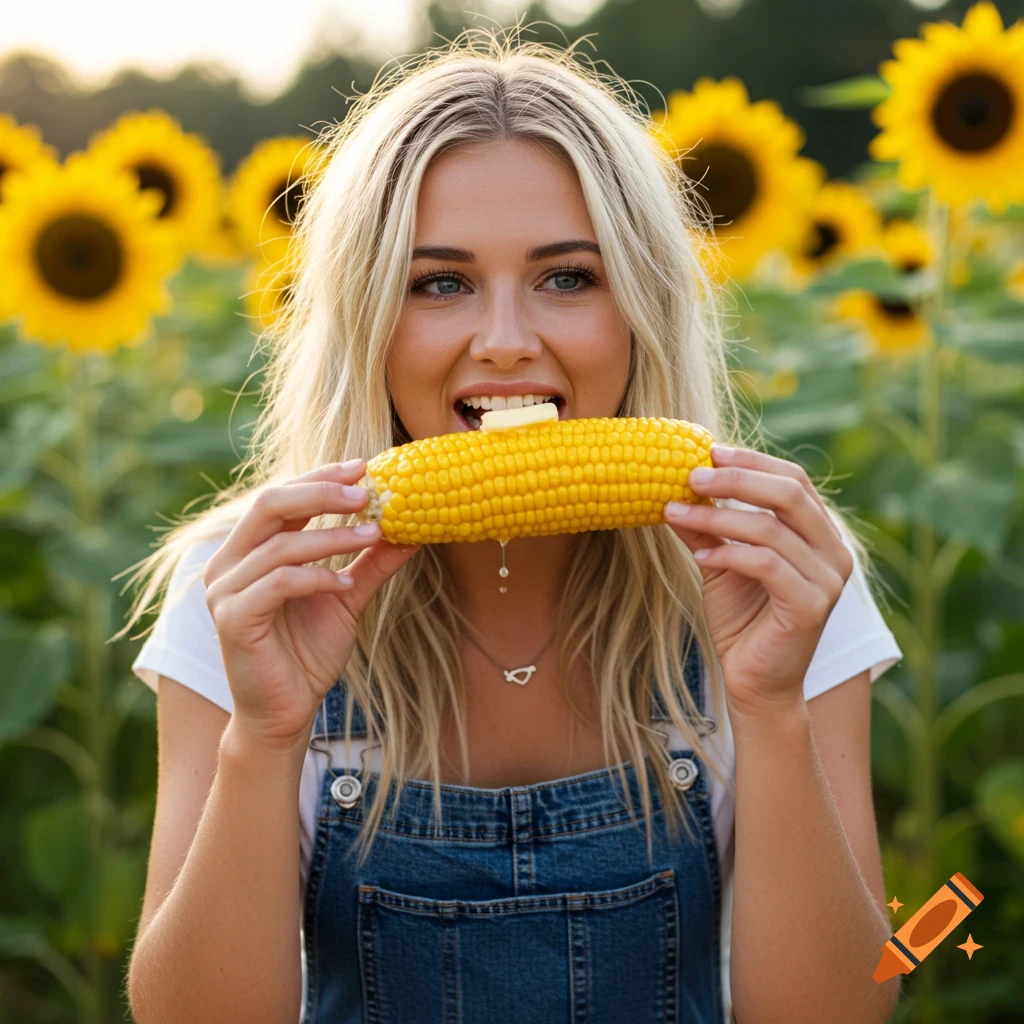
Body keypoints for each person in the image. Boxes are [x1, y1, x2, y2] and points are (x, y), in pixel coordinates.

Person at [118, 27, 904, 1024]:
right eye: (439, 282)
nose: (503, 341)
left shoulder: (775, 570)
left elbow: (839, 1011)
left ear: (641, 309)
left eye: (568, 277)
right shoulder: (241, 589)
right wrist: (265, 737)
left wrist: (771, 709)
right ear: (366, 318)